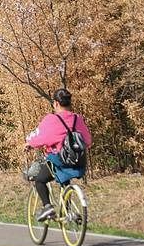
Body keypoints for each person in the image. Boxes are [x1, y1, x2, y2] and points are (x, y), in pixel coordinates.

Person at [24, 88, 93, 222]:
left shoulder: (52, 119)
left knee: (39, 179)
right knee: (64, 181)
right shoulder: (77, 119)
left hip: (59, 160)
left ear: (56, 103)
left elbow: (40, 138)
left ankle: (47, 207)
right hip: (79, 162)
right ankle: (68, 212)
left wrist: (29, 144)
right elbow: (88, 141)